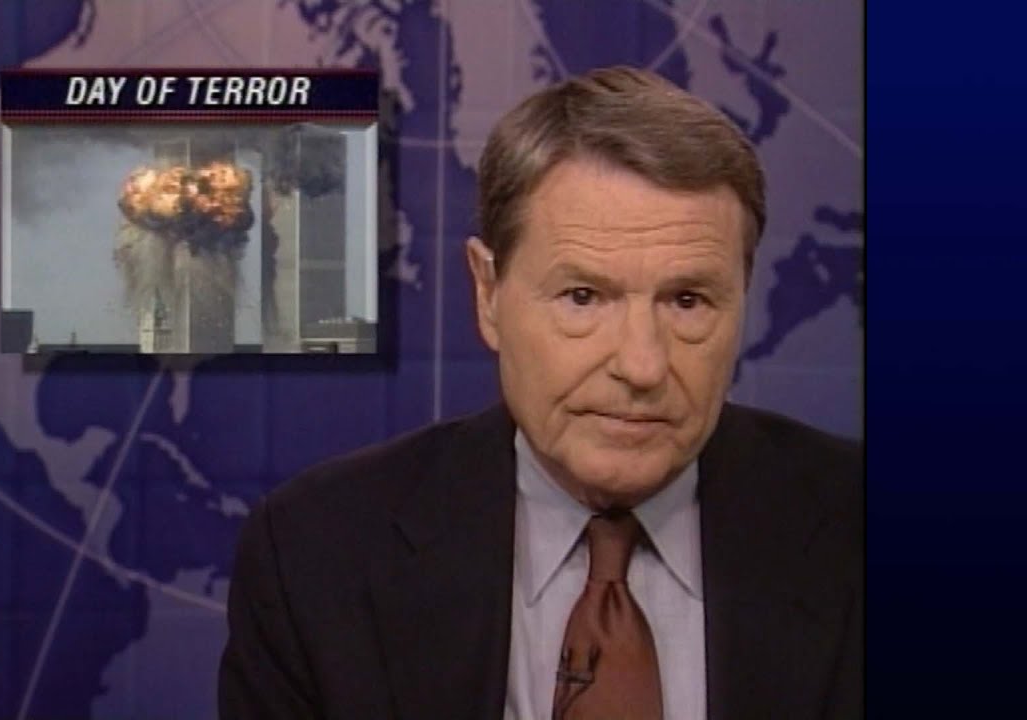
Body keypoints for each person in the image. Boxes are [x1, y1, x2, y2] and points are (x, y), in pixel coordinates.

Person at [218, 66, 862, 720]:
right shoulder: (317, 557)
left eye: (688, 301)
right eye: (583, 297)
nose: (642, 365)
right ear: (488, 294)